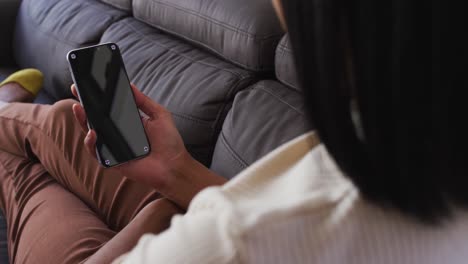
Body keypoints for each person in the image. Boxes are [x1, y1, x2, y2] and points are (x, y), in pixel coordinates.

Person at [1, 0, 468, 263]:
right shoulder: (401, 148)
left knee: (21, 172)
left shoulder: (237, 240)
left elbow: (272, 225)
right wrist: (179, 173)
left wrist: (179, 220)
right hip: (188, 204)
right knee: (63, 120)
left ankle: (7, 105)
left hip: (180, 231)